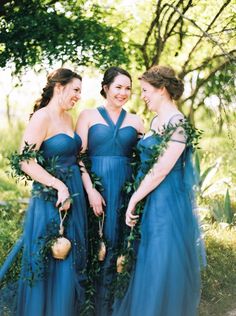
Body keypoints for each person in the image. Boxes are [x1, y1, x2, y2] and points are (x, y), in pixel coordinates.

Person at [113, 65, 203, 316]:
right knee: (148, 261)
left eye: (145, 90)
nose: (142, 95)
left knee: (162, 260)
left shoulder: (179, 124)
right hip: (150, 198)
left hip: (167, 202)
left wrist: (133, 200)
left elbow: (161, 169)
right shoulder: (155, 121)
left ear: (161, 89)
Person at [0, 68, 88, 316]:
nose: (79, 96)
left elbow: (74, 157)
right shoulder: (42, 117)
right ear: (59, 87)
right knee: (51, 258)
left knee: (70, 258)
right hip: (51, 199)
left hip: (75, 197)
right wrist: (59, 185)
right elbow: (25, 161)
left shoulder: (68, 119)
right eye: (75, 90)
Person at [76, 66, 144, 316]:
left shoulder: (136, 121)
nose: (123, 93)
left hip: (125, 191)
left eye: (128, 88)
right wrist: (91, 190)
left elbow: (144, 158)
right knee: (96, 247)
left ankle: (113, 309)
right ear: (105, 87)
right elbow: (78, 156)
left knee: (119, 249)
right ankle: (89, 309)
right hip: (95, 188)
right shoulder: (87, 116)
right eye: (118, 87)